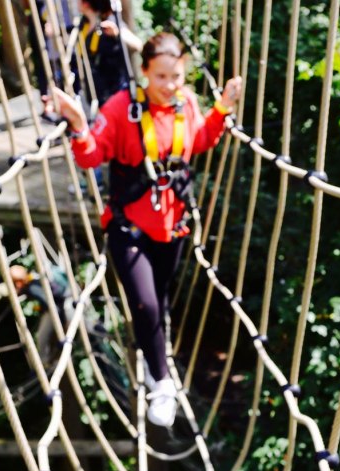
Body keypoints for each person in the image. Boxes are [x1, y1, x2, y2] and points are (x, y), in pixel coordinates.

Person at [52, 32, 242, 427]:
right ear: (144, 73)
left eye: (176, 77)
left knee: (158, 298)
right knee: (146, 303)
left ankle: (153, 347)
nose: (170, 85)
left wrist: (222, 107)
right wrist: (75, 123)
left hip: (172, 228)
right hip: (128, 227)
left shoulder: (185, 104)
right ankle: (161, 381)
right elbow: (92, 154)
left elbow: (200, 139)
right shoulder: (122, 108)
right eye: (161, 77)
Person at [77, 0, 142, 110]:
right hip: (94, 89)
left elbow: (138, 45)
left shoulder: (109, 21)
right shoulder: (83, 23)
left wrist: (117, 33)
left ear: (86, 3)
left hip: (113, 89)